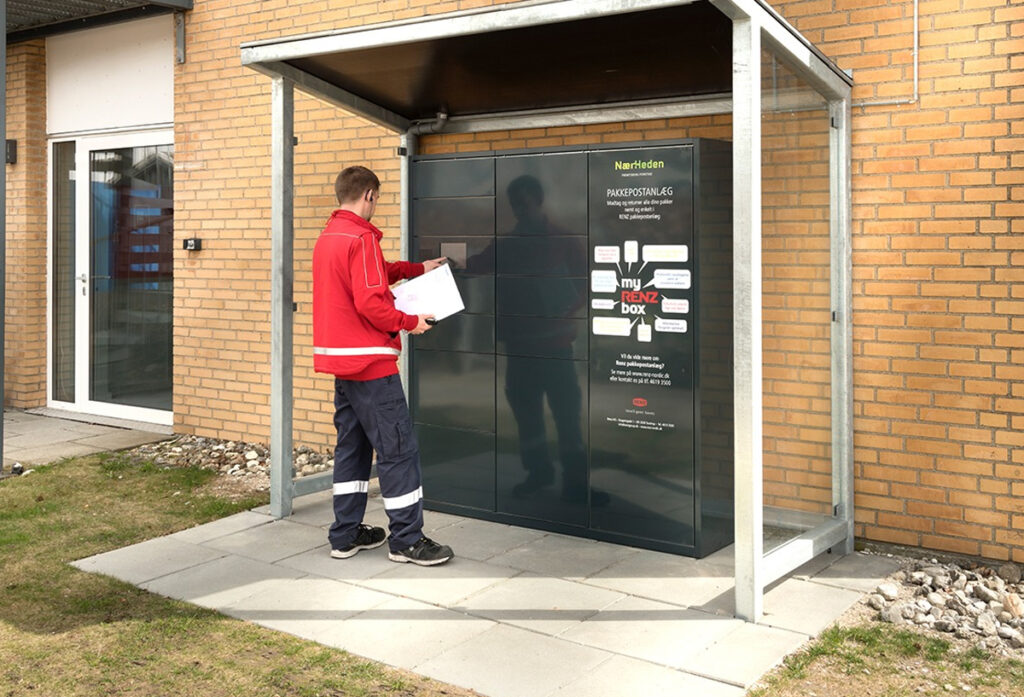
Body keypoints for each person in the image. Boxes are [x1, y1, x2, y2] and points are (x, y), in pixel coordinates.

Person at [312, 165, 454, 566]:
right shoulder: (361, 238)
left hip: (343, 366)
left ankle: (345, 535)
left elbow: (368, 279)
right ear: (369, 195)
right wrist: (411, 323)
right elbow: (371, 301)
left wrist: (415, 269)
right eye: (378, 199)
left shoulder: (329, 238)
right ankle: (407, 540)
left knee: (352, 451)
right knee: (398, 451)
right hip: (372, 365)